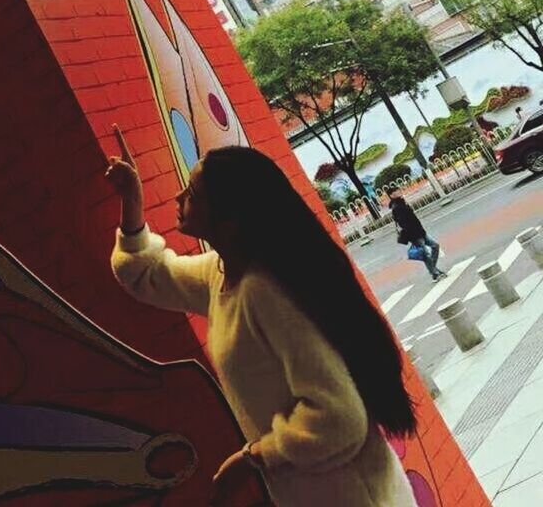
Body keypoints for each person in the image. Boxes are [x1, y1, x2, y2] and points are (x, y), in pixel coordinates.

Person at [106, 143, 417, 507]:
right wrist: (132, 199)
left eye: (192, 193)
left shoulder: (263, 293)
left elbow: (339, 418)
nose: (178, 196)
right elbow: (146, 275)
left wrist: (254, 456)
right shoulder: (219, 274)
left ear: (230, 220)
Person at [389, 196, 445, 282]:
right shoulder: (396, 208)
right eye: (396, 191)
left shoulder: (402, 203)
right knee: (425, 254)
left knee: (435, 246)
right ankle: (434, 273)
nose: (399, 192)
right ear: (391, 195)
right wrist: (412, 235)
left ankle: (433, 270)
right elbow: (404, 224)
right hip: (414, 235)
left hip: (421, 232)